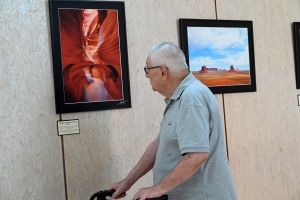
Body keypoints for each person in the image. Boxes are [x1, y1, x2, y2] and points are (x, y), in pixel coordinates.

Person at [108, 42, 237, 200]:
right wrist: (127, 182)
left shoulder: (191, 98)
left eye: (148, 69)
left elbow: (197, 155)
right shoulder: (179, 98)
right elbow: (159, 145)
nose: (146, 75)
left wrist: (158, 188)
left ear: (163, 72)